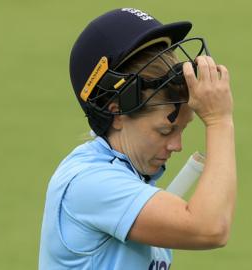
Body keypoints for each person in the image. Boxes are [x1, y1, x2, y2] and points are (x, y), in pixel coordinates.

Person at [39, 8, 237, 270]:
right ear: (117, 114)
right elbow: (210, 228)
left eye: (181, 130)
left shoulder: (132, 184)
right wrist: (219, 121)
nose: (177, 146)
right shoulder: (90, 182)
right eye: (165, 131)